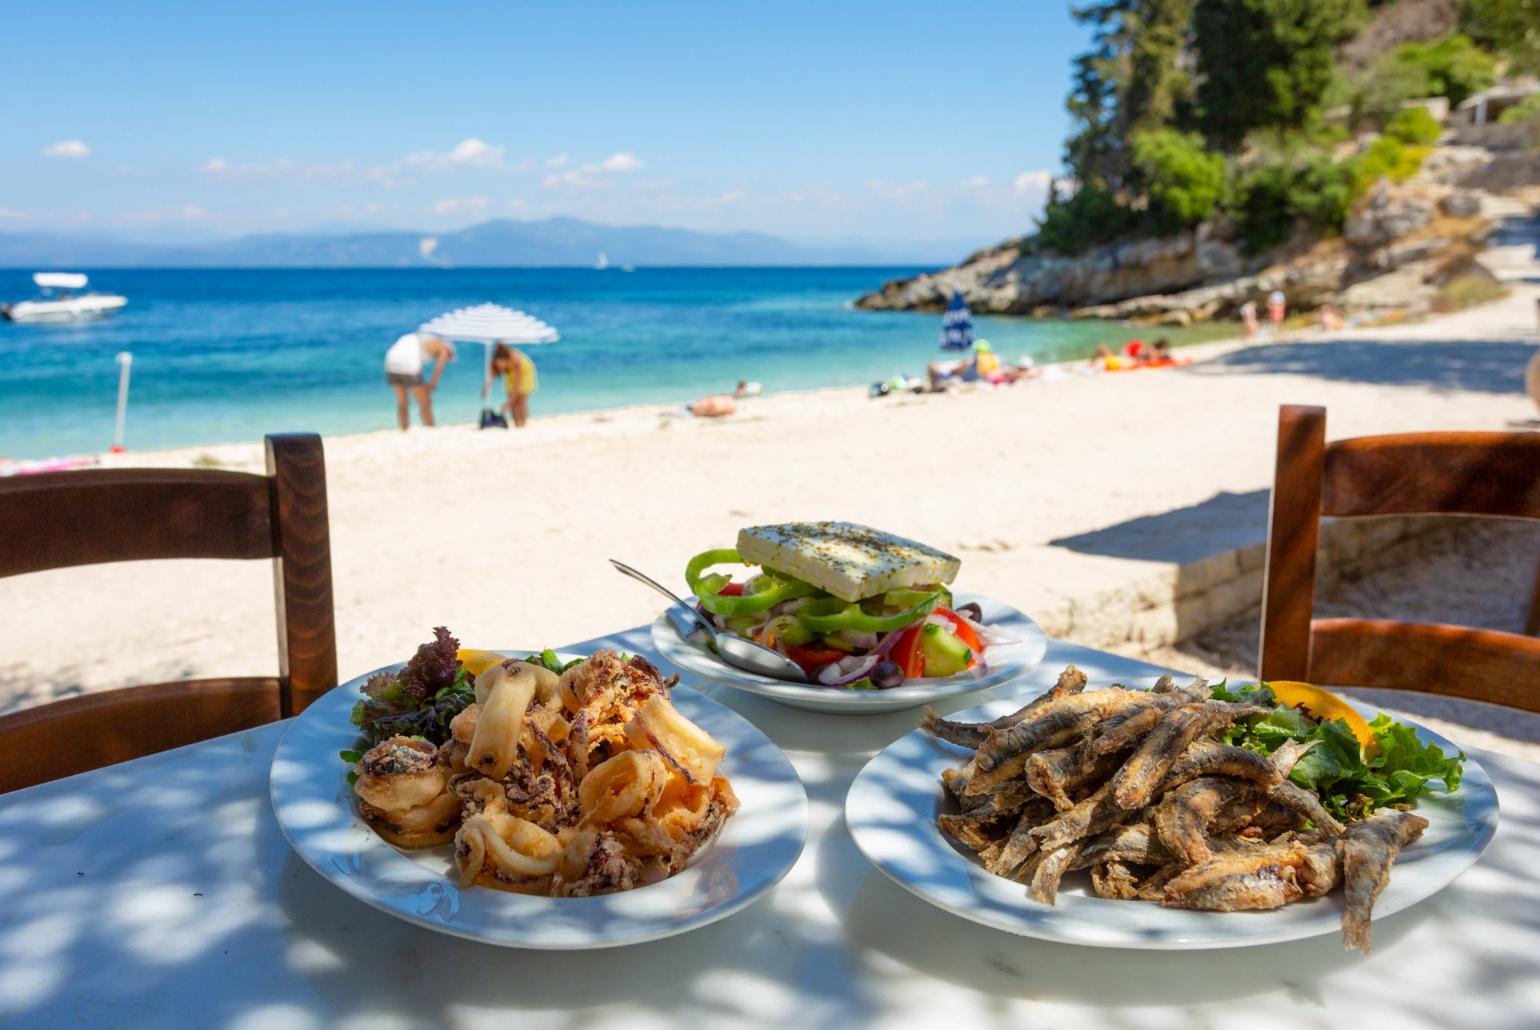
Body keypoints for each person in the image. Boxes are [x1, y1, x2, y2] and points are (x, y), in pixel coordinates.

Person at [384, 331, 455, 430]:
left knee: (403, 402)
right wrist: (432, 384)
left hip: (390, 362)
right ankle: (430, 429)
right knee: (426, 403)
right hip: (409, 364)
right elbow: (439, 368)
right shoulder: (443, 347)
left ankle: (404, 430)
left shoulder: (421, 338)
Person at [484, 343, 538, 428]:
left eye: (503, 363)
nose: (501, 366)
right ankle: (516, 424)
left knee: (521, 400)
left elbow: (517, 387)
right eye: (499, 363)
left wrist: (507, 404)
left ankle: (523, 424)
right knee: (511, 400)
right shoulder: (495, 361)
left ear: (507, 360)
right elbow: (491, 376)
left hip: (524, 372)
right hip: (510, 374)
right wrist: (486, 388)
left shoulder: (516, 360)